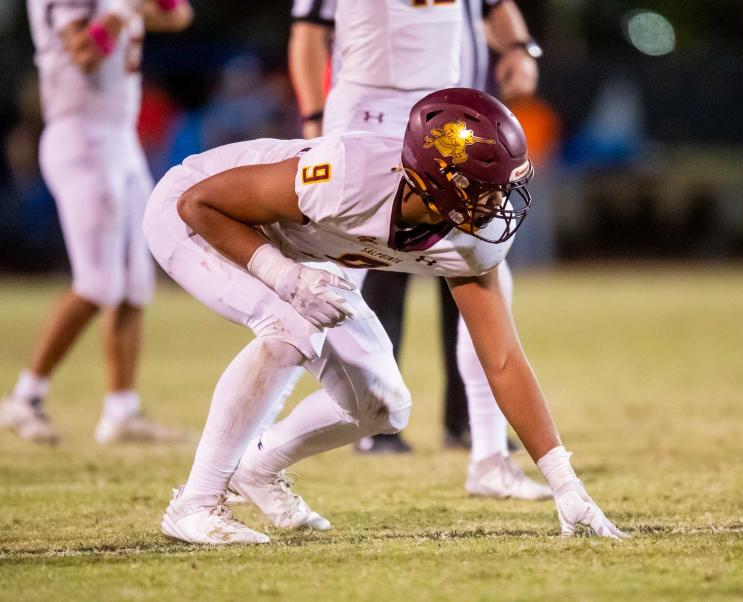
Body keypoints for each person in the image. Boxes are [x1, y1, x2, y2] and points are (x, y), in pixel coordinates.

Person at [145, 88, 627, 544]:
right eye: (486, 189)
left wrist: (565, 485)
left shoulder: (475, 241)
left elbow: (502, 360)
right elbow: (199, 203)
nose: (499, 204)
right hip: (197, 215)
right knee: (290, 323)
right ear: (439, 184)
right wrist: (284, 277)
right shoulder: (348, 176)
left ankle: (259, 467)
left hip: (292, 249)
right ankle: (196, 503)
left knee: (382, 405)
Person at [286, 0, 550, 500]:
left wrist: (517, 48)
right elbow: (308, 33)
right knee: (329, 287)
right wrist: (313, 117)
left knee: (483, 267)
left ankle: (488, 456)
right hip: (366, 110)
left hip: (443, 111)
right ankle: (261, 451)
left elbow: (495, 7)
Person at [1, 0, 193, 445]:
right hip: (80, 134)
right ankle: (25, 397)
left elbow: (178, 14)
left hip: (118, 138)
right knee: (97, 283)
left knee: (134, 283)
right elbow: (85, 53)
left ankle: (121, 411)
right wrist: (122, 11)